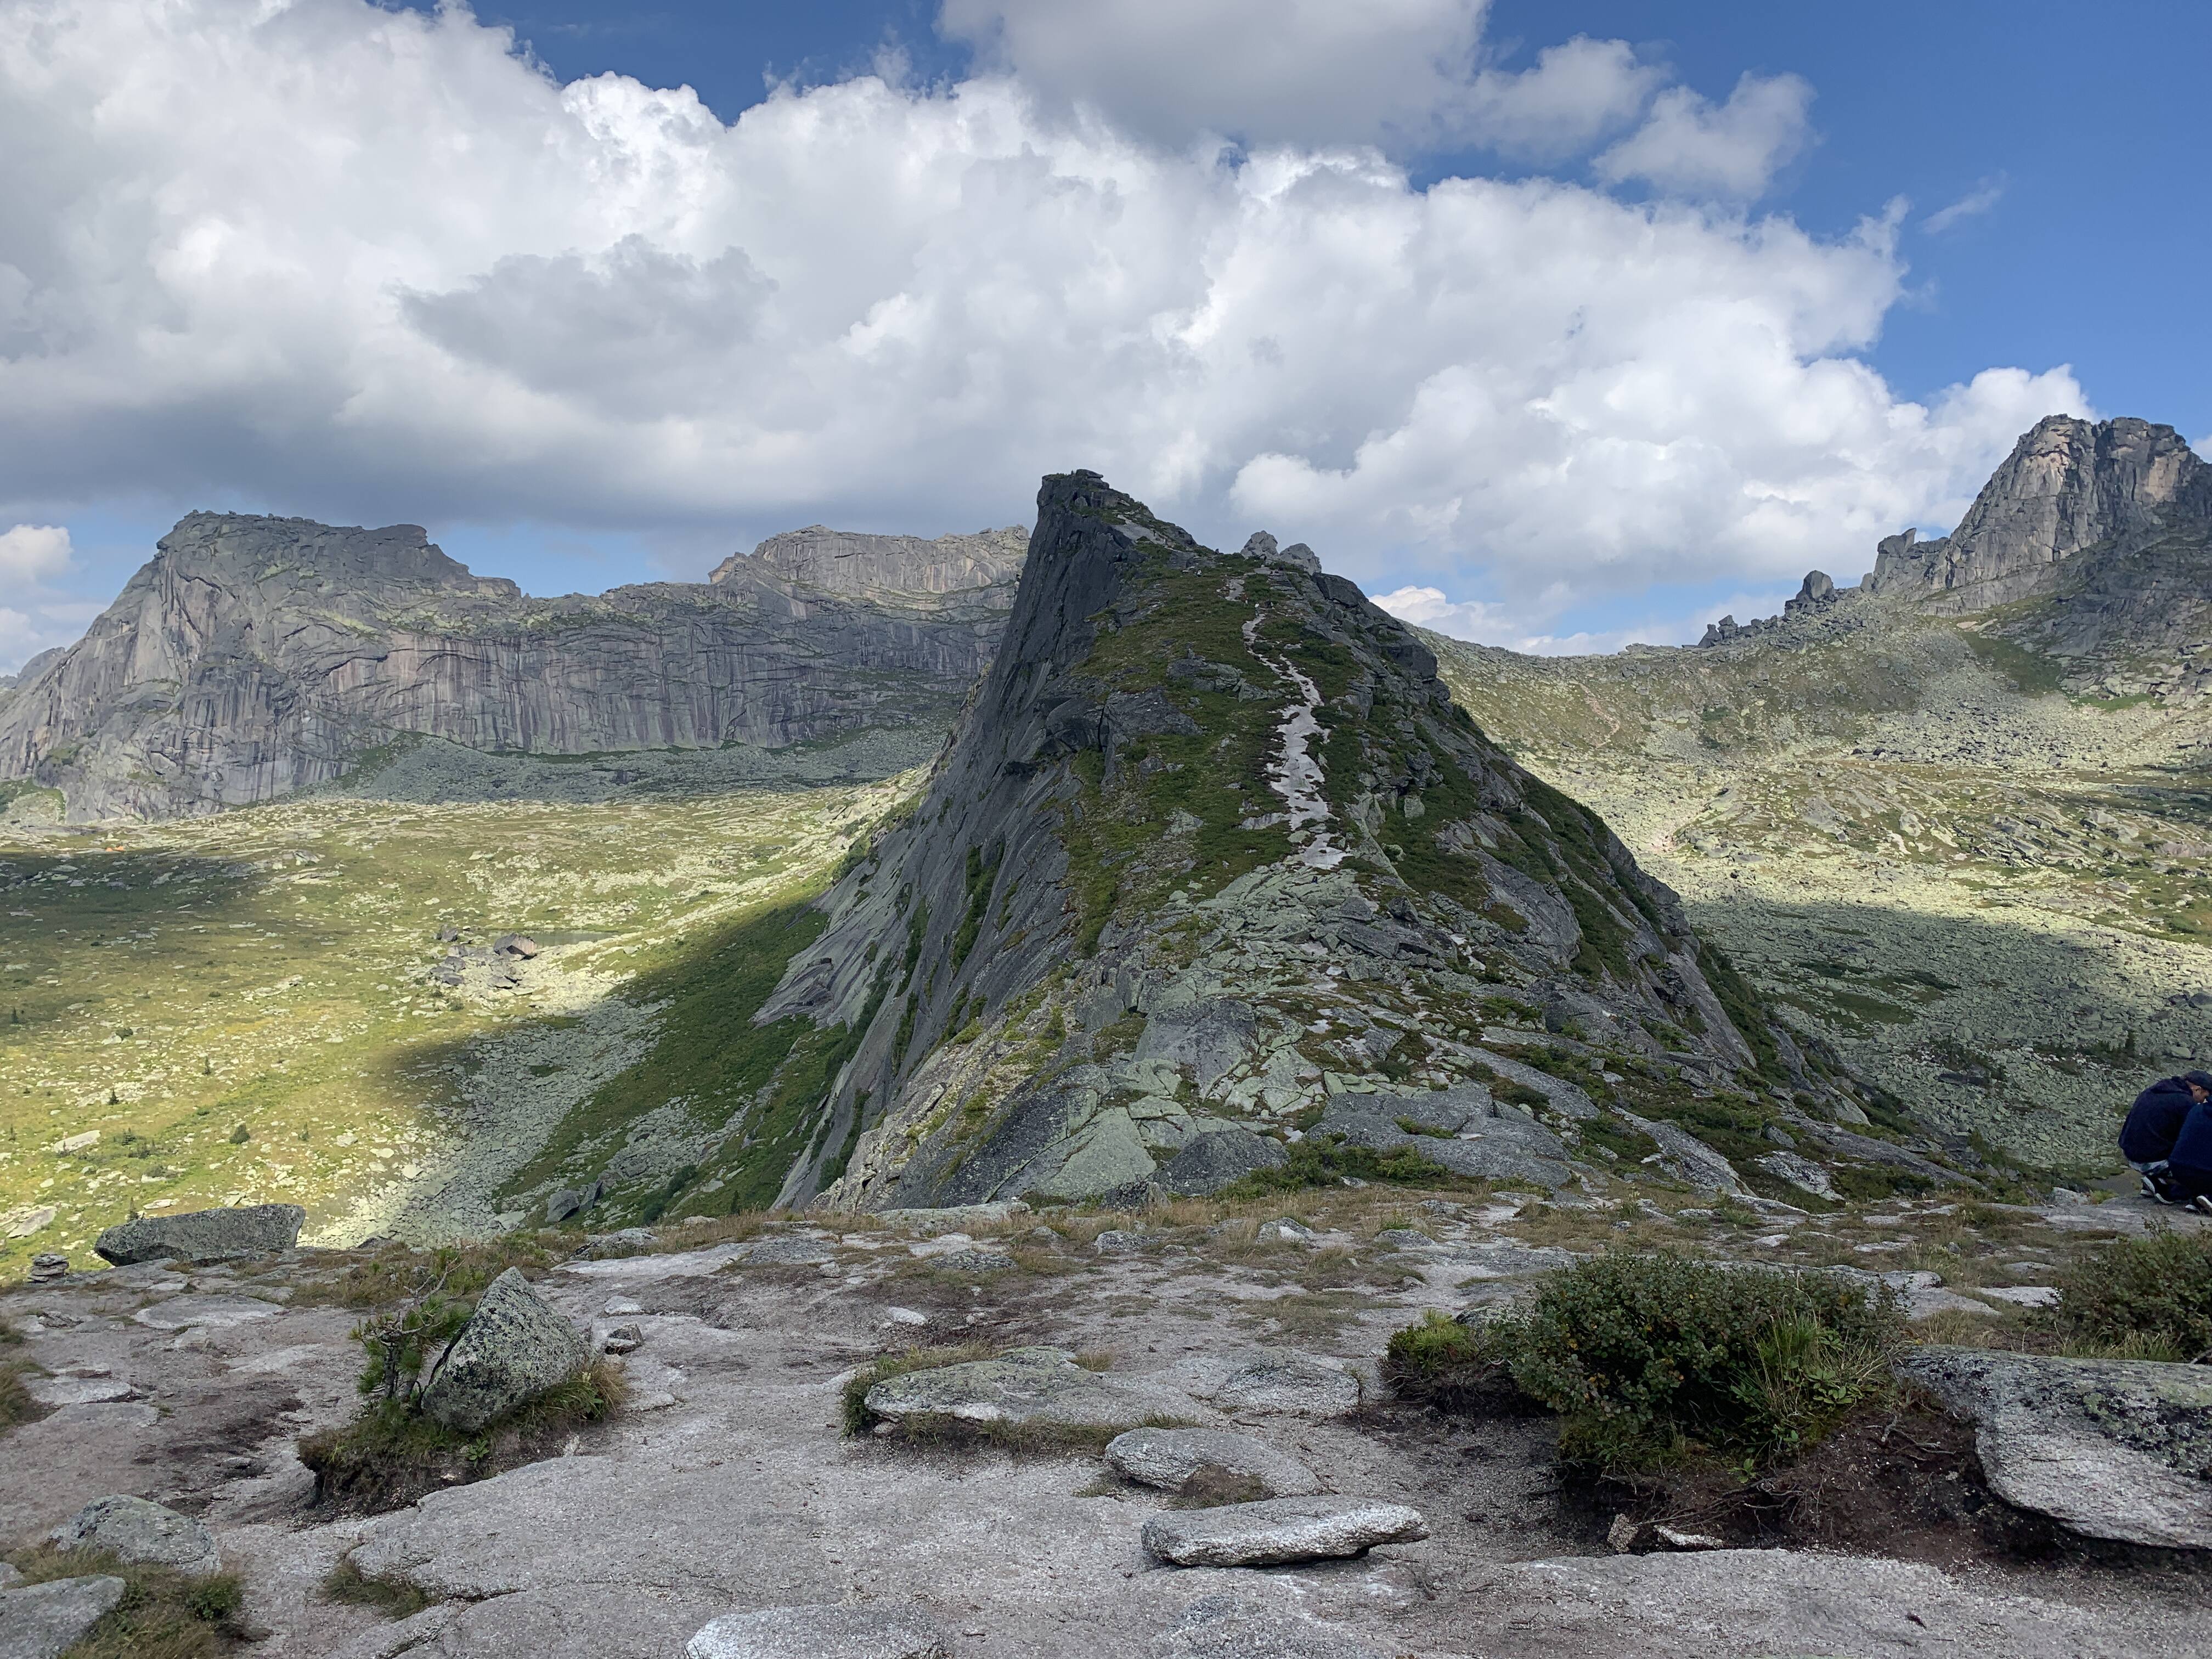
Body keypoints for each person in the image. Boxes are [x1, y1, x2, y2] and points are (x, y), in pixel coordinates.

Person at [2120, 1071, 2212, 1203]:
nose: (2204, 1101)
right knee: (2196, 1168)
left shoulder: (2156, 1090)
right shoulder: (2185, 1103)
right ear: (2197, 1089)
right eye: (2205, 1096)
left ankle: (2156, 1182)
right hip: (2153, 1161)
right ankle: (2165, 1185)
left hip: (2132, 1155)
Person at [2166, 1086, 2212, 1216]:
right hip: (2206, 1173)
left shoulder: (2197, 1109)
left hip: (2178, 1170)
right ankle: (2208, 1198)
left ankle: (2190, 1197)